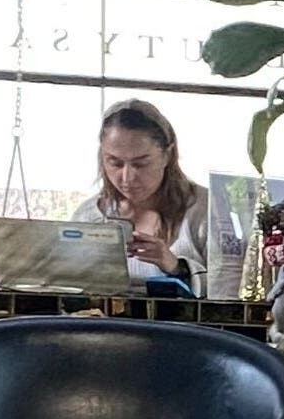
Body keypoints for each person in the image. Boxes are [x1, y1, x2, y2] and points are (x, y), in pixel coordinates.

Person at [73, 99, 208, 292]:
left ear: (167, 156)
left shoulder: (205, 211)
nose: (127, 177)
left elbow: (231, 289)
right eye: (115, 163)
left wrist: (176, 266)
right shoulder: (89, 216)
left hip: (178, 323)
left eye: (140, 164)